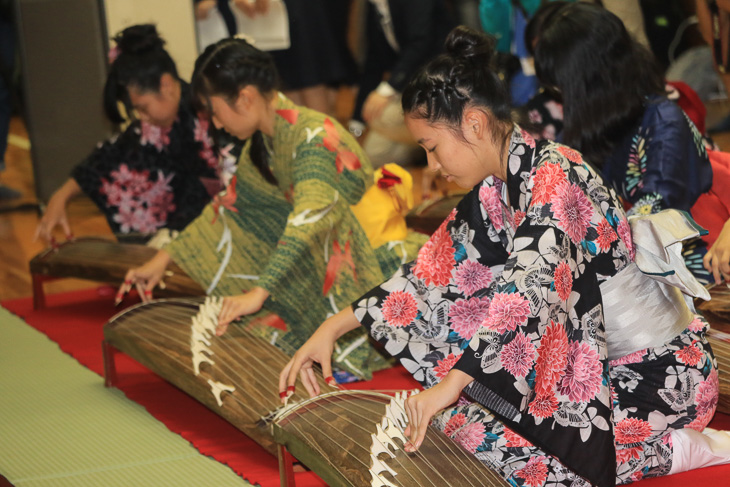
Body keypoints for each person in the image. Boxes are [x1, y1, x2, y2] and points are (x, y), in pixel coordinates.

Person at [281, 26, 728, 487]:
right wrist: (332, 327)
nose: (432, 166)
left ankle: (673, 449)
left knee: (505, 451)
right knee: (456, 424)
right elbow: (433, 273)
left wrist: (452, 384)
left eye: (432, 148)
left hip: (662, 377)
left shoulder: (558, 179)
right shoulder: (500, 187)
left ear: (473, 123)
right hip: (600, 368)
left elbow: (528, 294)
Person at [121, 37, 426, 380]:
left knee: (270, 333)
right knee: (258, 333)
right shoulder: (267, 139)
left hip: (364, 261)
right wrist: (163, 258)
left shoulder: (313, 137)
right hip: (321, 255)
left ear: (246, 98)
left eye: (217, 113)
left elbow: (309, 221)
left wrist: (259, 291)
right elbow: (234, 207)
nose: (217, 125)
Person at [529, 2, 717, 282]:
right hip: (628, 274)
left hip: (689, 276)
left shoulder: (663, 122)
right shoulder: (592, 128)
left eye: (562, 87)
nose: (560, 97)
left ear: (587, 83)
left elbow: (651, 219)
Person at [34, 24, 226, 245]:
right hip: (182, 218)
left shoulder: (211, 116)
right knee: (125, 170)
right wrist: (61, 196)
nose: (142, 117)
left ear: (166, 85)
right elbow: (108, 157)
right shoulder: (154, 126)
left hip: (217, 221)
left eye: (143, 107)